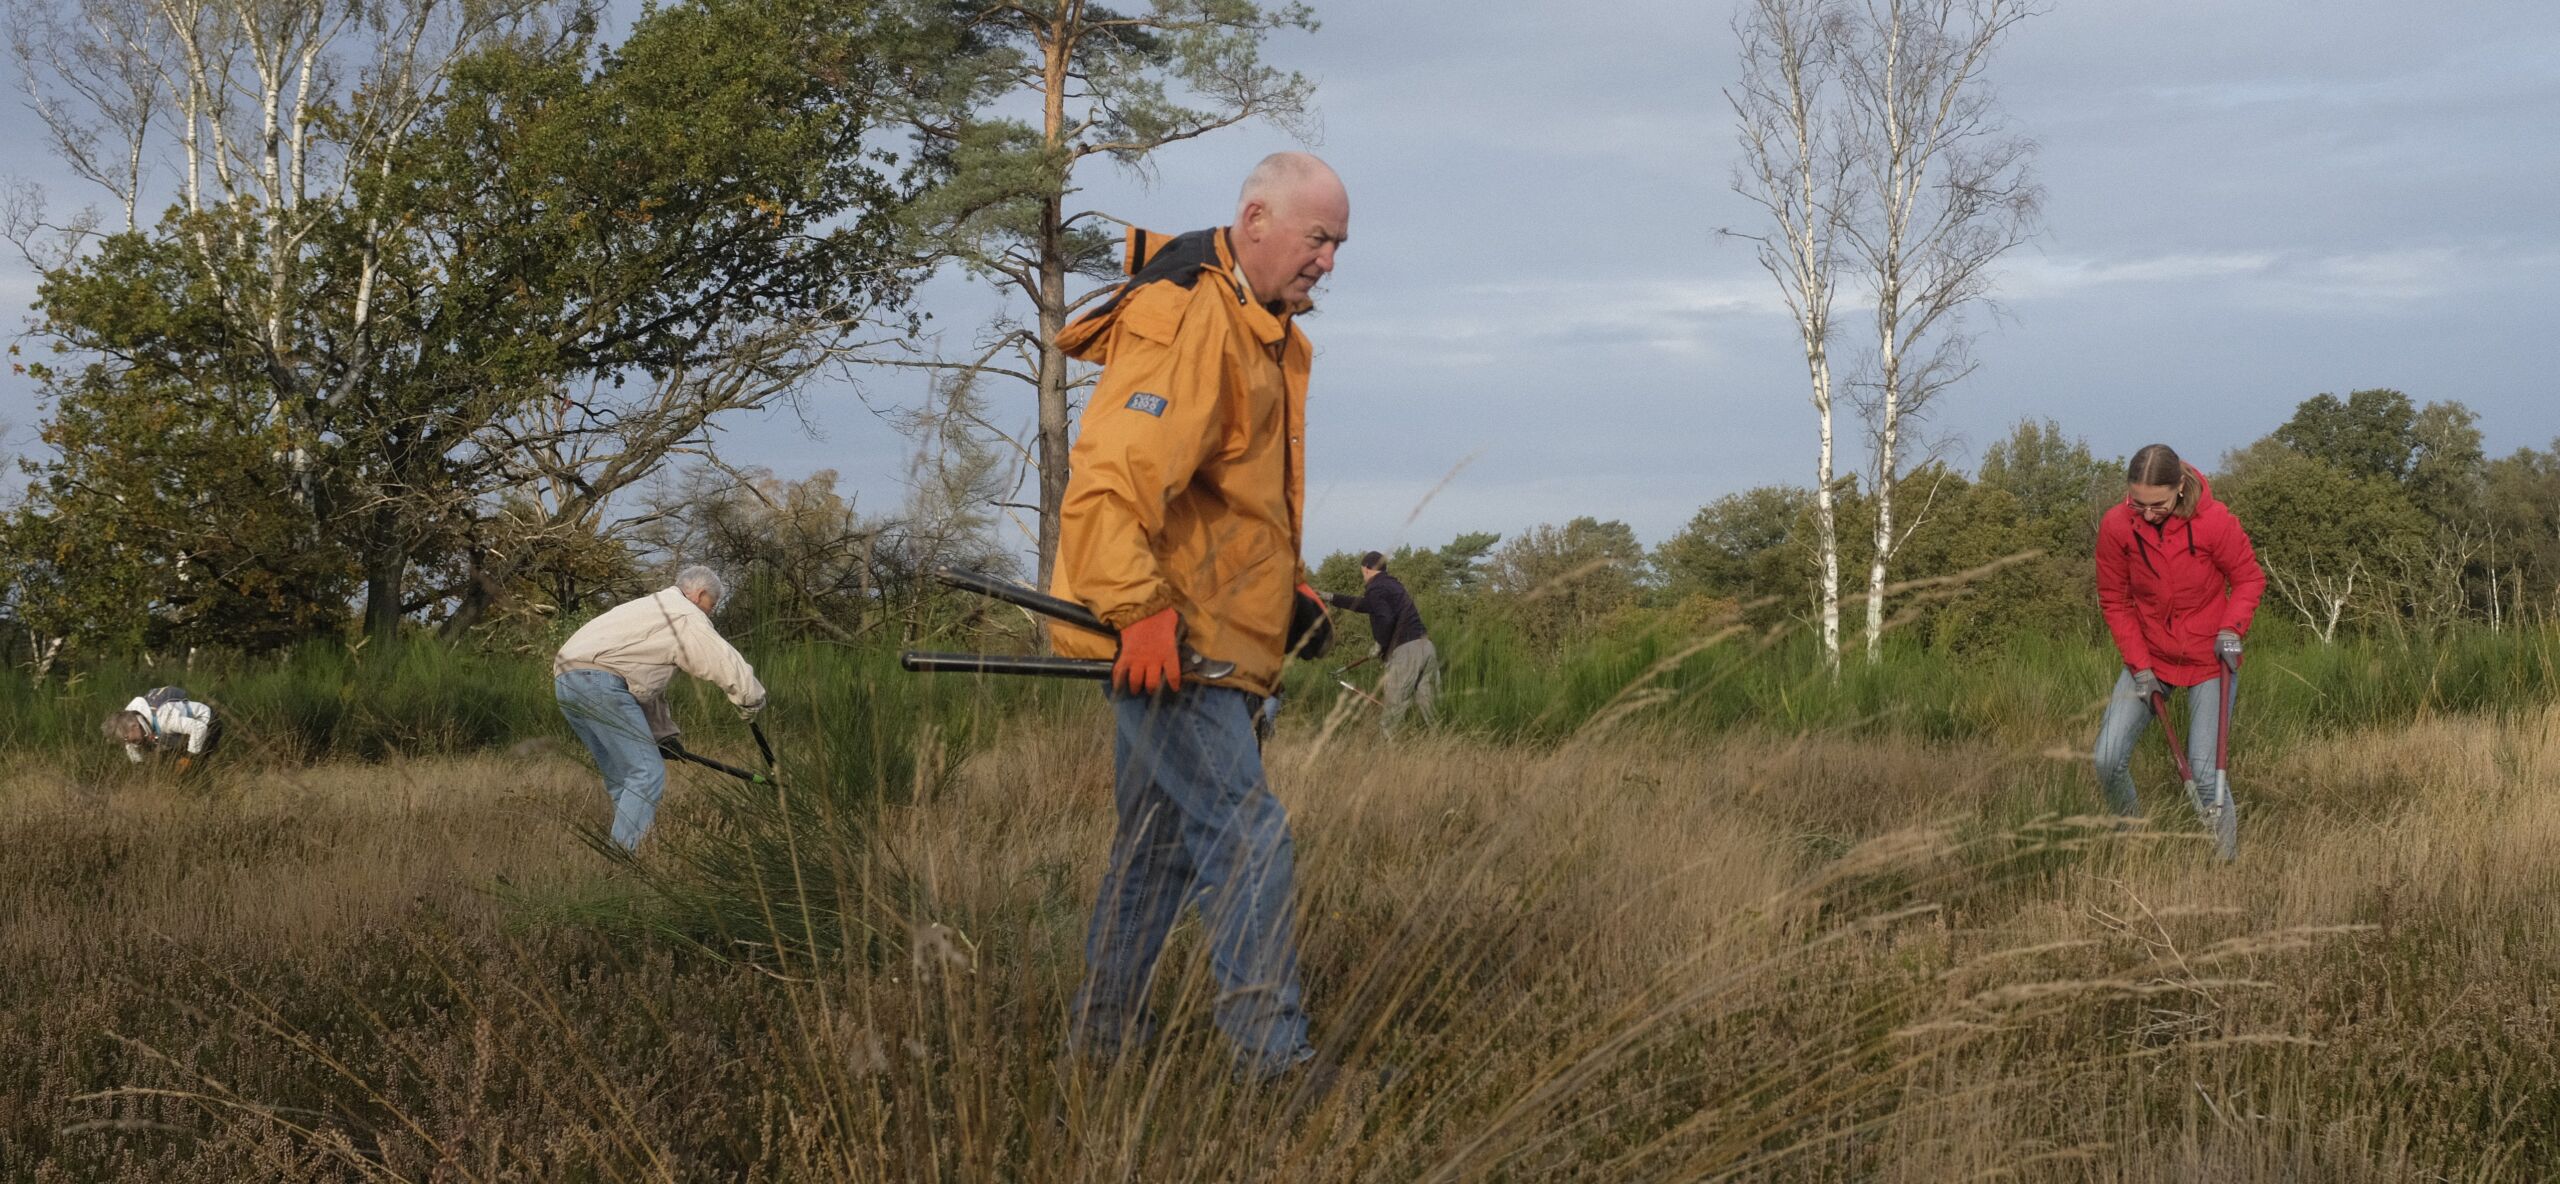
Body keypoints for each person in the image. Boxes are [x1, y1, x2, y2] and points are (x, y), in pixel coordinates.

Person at [1046, 151, 1348, 1081]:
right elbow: (1111, 481)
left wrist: (1283, 589)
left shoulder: (1263, 329)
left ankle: (1097, 1055)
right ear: (1256, 219)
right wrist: (1136, 611)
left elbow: (1228, 497)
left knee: (1155, 854)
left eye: (1338, 245)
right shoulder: (1192, 313)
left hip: (1212, 635)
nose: (1328, 261)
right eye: (1318, 238)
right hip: (1174, 643)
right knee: (1248, 835)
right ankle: (1273, 1068)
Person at [2092, 444, 2265, 845]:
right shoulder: (2117, 526)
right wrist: (2141, 667)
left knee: (2205, 775)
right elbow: (2116, 602)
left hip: (2210, 658)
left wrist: (2231, 630)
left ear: (2181, 488)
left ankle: (2225, 864)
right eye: (2138, 504)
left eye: (2158, 504)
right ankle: (2133, 845)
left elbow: (2249, 579)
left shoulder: (2215, 522)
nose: (2148, 514)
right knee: (2106, 758)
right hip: (2149, 656)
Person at [553, 566, 766, 850]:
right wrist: (750, 698)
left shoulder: (649, 609)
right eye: (711, 605)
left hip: (567, 682)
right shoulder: (685, 614)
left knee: (623, 775)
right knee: (645, 772)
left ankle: (625, 849)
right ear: (700, 594)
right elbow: (723, 660)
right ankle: (623, 855)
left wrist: (663, 736)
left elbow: (642, 685)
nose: (710, 613)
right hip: (600, 682)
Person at [1324, 551, 1436, 732]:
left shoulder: (1375, 588)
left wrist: (1380, 644)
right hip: (1426, 647)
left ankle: (1389, 756)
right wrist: (1332, 597)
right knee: (1429, 708)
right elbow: (1364, 604)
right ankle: (1439, 747)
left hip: (1406, 651)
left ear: (1367, 569)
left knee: (1392, 713)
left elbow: (1385, 618)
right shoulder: (1393, 585)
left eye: (1362, 572)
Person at [102, 685, 220, 772]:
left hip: (206, 723)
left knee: (190, 769)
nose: (128, 743)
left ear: (135, 726)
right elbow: (130, 747)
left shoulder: (164, 718)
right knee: (166, 765)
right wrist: (139, 767)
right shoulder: (128, 722)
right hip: (181, 731)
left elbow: (198, 728)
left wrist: (188, 759)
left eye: (128, 739)